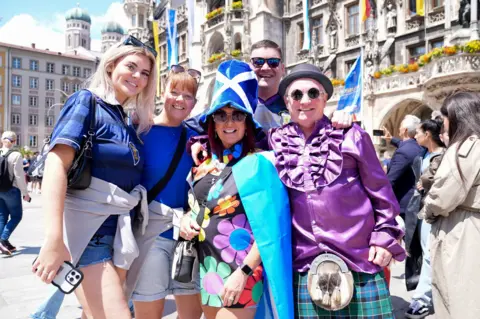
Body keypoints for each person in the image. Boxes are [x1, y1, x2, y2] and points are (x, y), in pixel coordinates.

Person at [31, 35, 156, 319]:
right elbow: (56, 164)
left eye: (145, 73)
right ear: (111, 65)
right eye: (131, 66)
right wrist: (53, 238)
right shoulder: (87, 101)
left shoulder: (124, 118)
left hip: (117, 233)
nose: (137, 76)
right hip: (91, 232)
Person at [269, 63, 405, 318]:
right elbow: (231, 133)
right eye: (296, 95)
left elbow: (382, 194)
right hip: (306, 265)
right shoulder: (276, 141)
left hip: (359, 258)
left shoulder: (352, 136)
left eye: (313, 93)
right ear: (287, 102)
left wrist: (384, 238)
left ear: (325, 99)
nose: (305, 100)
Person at [180, 60, 294, 319]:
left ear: (247, 123)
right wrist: (187, 218)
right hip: (207, 270)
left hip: (241, 272)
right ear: (212, 123)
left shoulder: (262, 163)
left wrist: (243, 273)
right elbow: (194, 206)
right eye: (221, 115)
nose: (228, 122)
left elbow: (271, 230)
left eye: (237, 115)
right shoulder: (204, 164)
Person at [129, 66, 203, 319]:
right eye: (175, 92)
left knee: (192, 312)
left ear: (195, 102)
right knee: (149, 310)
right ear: (163, 93)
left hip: (188, 239)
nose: (180, 100)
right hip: (151, 235)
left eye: (188, 96)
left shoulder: (197, 137)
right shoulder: (140, 131)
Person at [420, 92, 480, 319]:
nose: (442, 124)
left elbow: (443, 195)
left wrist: (427, 210)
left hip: (462, 229)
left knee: (460, 297)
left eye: (445, 117)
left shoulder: (465, 146)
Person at [405, 118, 446, 319]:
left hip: (433, 211)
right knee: (424, 252)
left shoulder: (441, 156)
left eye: (418, 132)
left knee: (430, 254)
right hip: (421, 210)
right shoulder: (425, 154)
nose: (415, 136)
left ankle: (420, 300)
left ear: (428, 134)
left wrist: (425, 184)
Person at [382, 115, 425, 291]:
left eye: (400, 127)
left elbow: (390, 181)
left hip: (404, 206)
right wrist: (391, 139)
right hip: (415, 203)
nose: (398, 129)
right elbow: (405, 146)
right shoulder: (417, 147)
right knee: (416, 246)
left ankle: (415, 284)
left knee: (410, 248)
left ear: (405, 130)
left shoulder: (403, 152)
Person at [0, 131, 31, 255]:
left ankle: (4, 243)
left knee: (2, 217)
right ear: (14, 142)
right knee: (16, 216)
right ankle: (3, 240)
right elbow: (19, 176)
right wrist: (25, 193)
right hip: (11, 190)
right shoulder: (16, 155)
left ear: (2, 140)